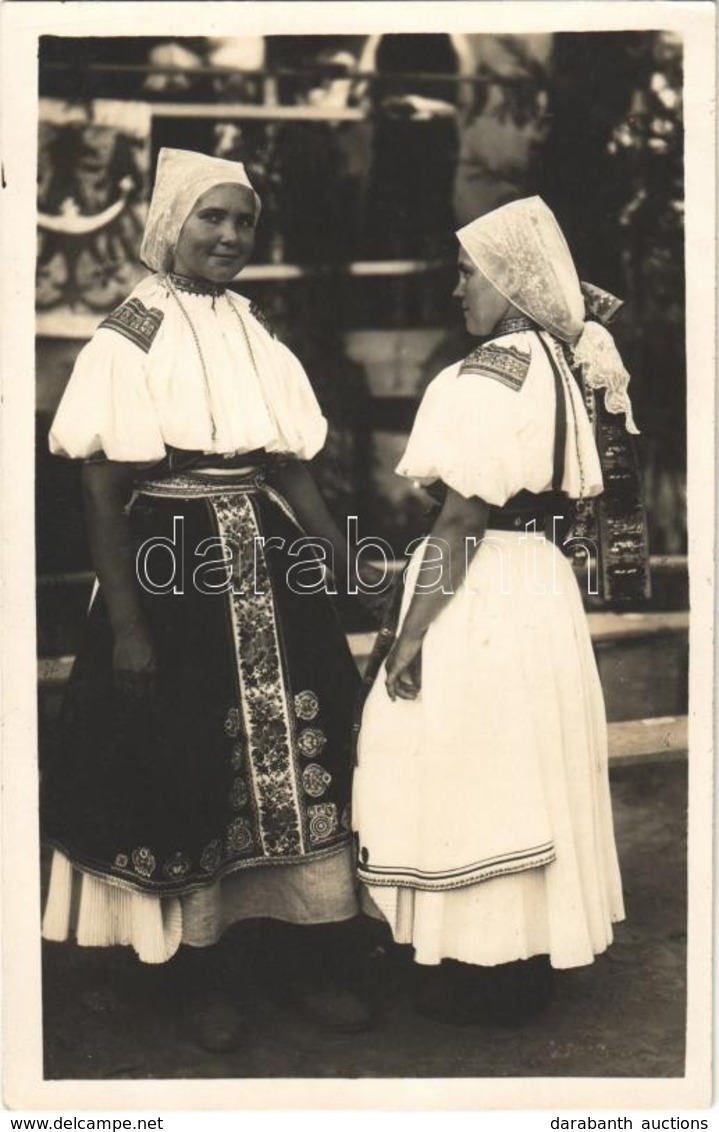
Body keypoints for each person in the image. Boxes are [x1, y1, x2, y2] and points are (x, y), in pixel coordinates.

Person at [42, 147, 374, 1051]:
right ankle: (202, 972)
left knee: (304, 754)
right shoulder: (127, 336)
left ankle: (300, 954)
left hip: (267, 562)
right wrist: (126, 628)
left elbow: (293, 471)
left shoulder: (254, 330)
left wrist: (341, 559)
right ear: (170, 225)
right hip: (173, 569)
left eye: (242, 221)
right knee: (189, 765)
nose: (230, 236)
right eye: (211, 219)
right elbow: (102, 494)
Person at [352, 196, 639, 1025]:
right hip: (541, 586)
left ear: (511, 285)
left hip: (478, 588)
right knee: (524, 764)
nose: (455, 292)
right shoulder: (567, 361)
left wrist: (408, 639)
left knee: (458, 765)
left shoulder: (480, 375)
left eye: (466, 274)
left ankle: (471, 962)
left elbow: (460, 521)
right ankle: (523, 956)